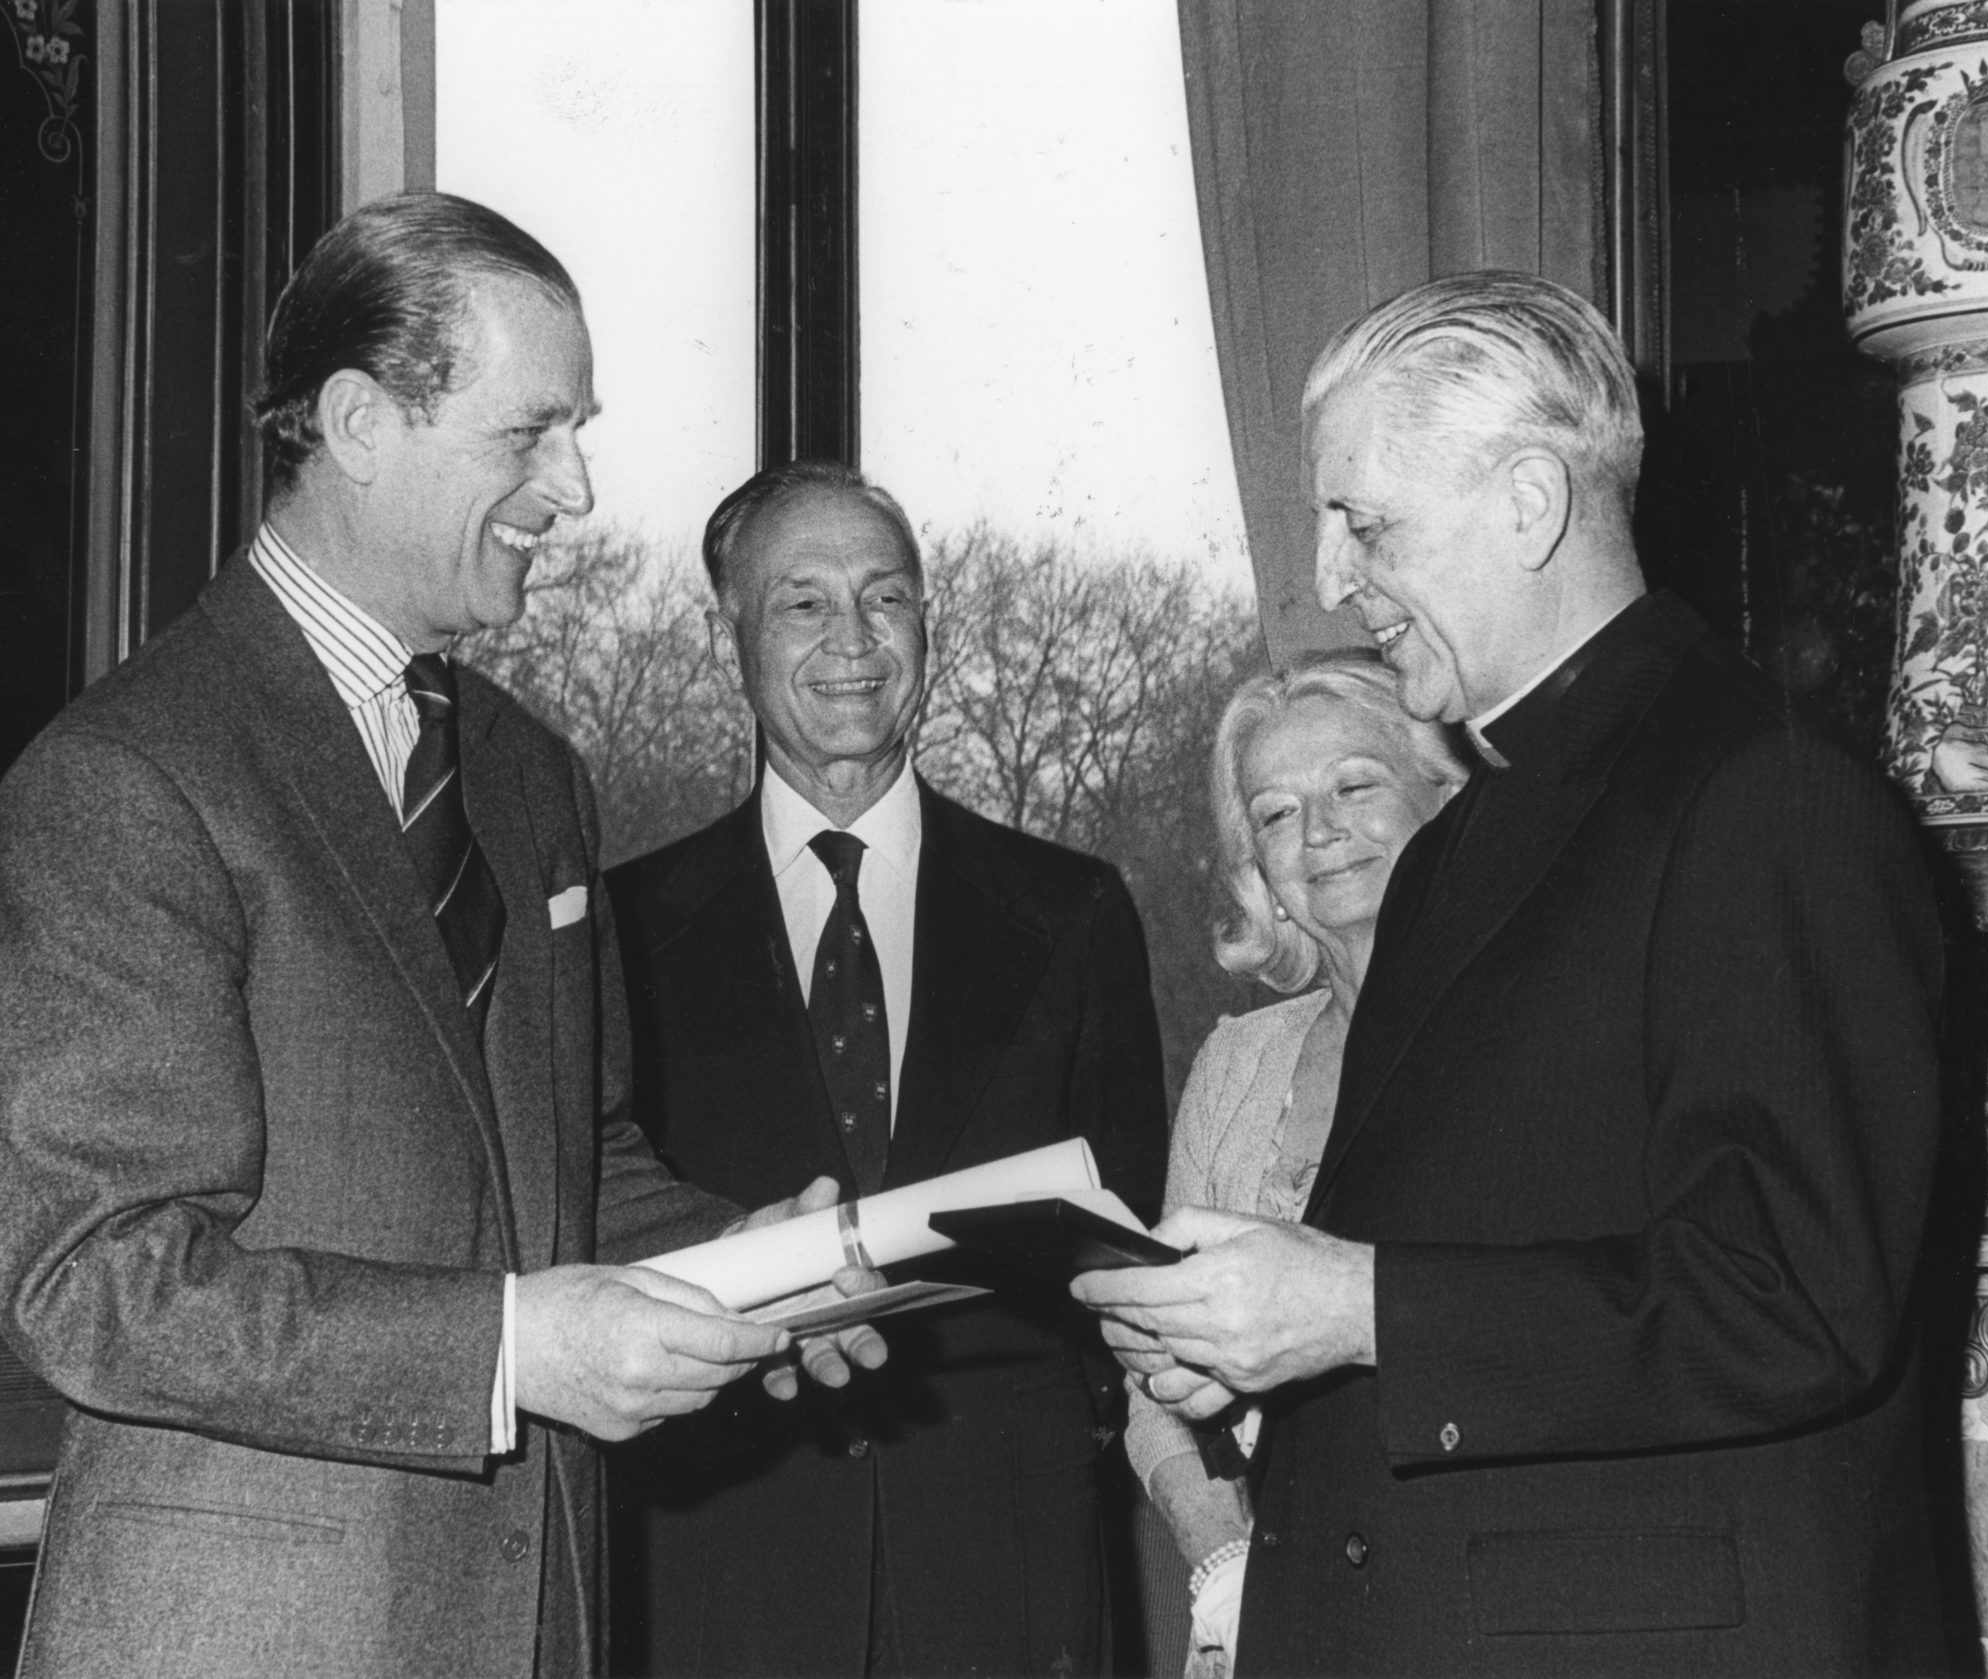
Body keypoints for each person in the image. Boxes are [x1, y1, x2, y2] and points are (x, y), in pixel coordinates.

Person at [0, 193, 880, 1679]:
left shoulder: (532, 778)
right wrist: (511, 1349)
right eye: (528, 433)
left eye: (577, 432)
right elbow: (95, 1277)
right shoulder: (126, 777)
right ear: (359, 422)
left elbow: (567, 1167)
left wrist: (735, 1262)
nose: (575, 489)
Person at [1073, 271, 1956, 1675]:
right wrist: (1257, 1342)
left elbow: (1793, 1294)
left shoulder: (1760, 794)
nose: (1329, 577)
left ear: (1530, 503)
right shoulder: (1457, 845)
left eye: (1366, 523)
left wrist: (1345, 1306)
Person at [604, 459, 1170, 1677]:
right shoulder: (622, 931)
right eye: (803, 601)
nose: (852, 639)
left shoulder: (1071, 910)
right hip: (721, 1566)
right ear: (732, 634)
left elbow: (1119, 1242)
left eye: (886, 596)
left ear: (928, 622)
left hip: (1005, 1567)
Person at [1126, 655, 1463, 1679]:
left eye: (1355, 785)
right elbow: (1152, 1377)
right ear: (1256, 867)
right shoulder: (1236, 1064)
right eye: (1276, 813)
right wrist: (1220, 1557)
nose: (1317, 831)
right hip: (1265, 1604)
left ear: (1443, 798)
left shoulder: (1535, 1032)